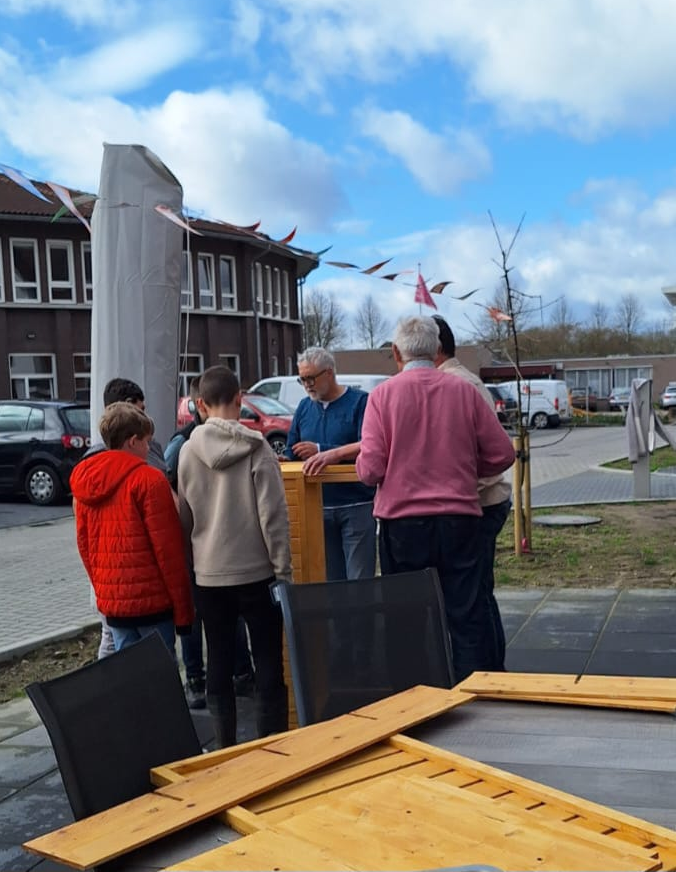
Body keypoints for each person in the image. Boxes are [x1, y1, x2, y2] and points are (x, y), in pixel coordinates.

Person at [355, 316, 515, 682]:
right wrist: (468, 469)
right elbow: (503, 454)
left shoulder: (382, 396)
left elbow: (371, 470)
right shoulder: (463, 391)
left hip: (403, 525)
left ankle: (418, 702)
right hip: (459, 519)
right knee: (467, 615)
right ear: (435, 348)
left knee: (407, 620)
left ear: (397, 353)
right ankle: (475, 704)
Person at [178, 365, 290, 748]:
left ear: (201, 405)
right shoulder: (258, 448)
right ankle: (271, 745)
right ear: (240, 399)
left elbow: (185, 515)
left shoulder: (188, 451)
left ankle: (224, 747)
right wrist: (282, 570)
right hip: (257, 572)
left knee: (220, 660)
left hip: (210, 575)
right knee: (268, 661)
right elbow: (272, 516)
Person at [70, 402, 193, 653]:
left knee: (129, 677)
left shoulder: (84, 482)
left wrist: (106, 591)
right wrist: (183, 611)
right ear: (133, 441)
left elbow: (85, 546)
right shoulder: (149, 480)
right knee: (161, 678)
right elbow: (168, 550)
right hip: (154, 604)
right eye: (147, 442)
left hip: (115, 606)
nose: (149, 448)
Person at [164, 378, 255, 710]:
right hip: (233, 557)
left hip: (201, 553)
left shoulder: (184, 446)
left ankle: (228, 679)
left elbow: (178, 499)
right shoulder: (251, 444)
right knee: (205, 622)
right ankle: (202, 679)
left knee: (213, 626)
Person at [433, 314, 512, 671]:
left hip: (480, 504)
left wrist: (460, 486)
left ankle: (490, 675)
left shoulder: (459, 386)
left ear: (433, 348)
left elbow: (494, 452)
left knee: (473, 598)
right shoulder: (458, 382)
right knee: (478, 593)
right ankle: (494, 671)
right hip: (481, 501)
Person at [82, 377, 167, 659]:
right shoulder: (147, 475)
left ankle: (116, 701)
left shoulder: (86, 473)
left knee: (125, 666)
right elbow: (165, 544)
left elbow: (84, 543)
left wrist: (103, 588)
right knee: (159, 672)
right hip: (151, 598)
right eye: (140, 409)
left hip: (114, 598)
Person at [283, 347, 376, 581]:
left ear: (330, 373)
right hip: (316, 507)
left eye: (311, 378)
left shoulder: (360, 402)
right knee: (330, 582)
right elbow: (292, 448)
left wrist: (323, 450)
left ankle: (361, 620)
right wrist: (284, 459)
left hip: (356, 503)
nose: (307, 384)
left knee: (359, 580)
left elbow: (369, 445)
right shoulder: (304, 407)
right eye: (302, 379)